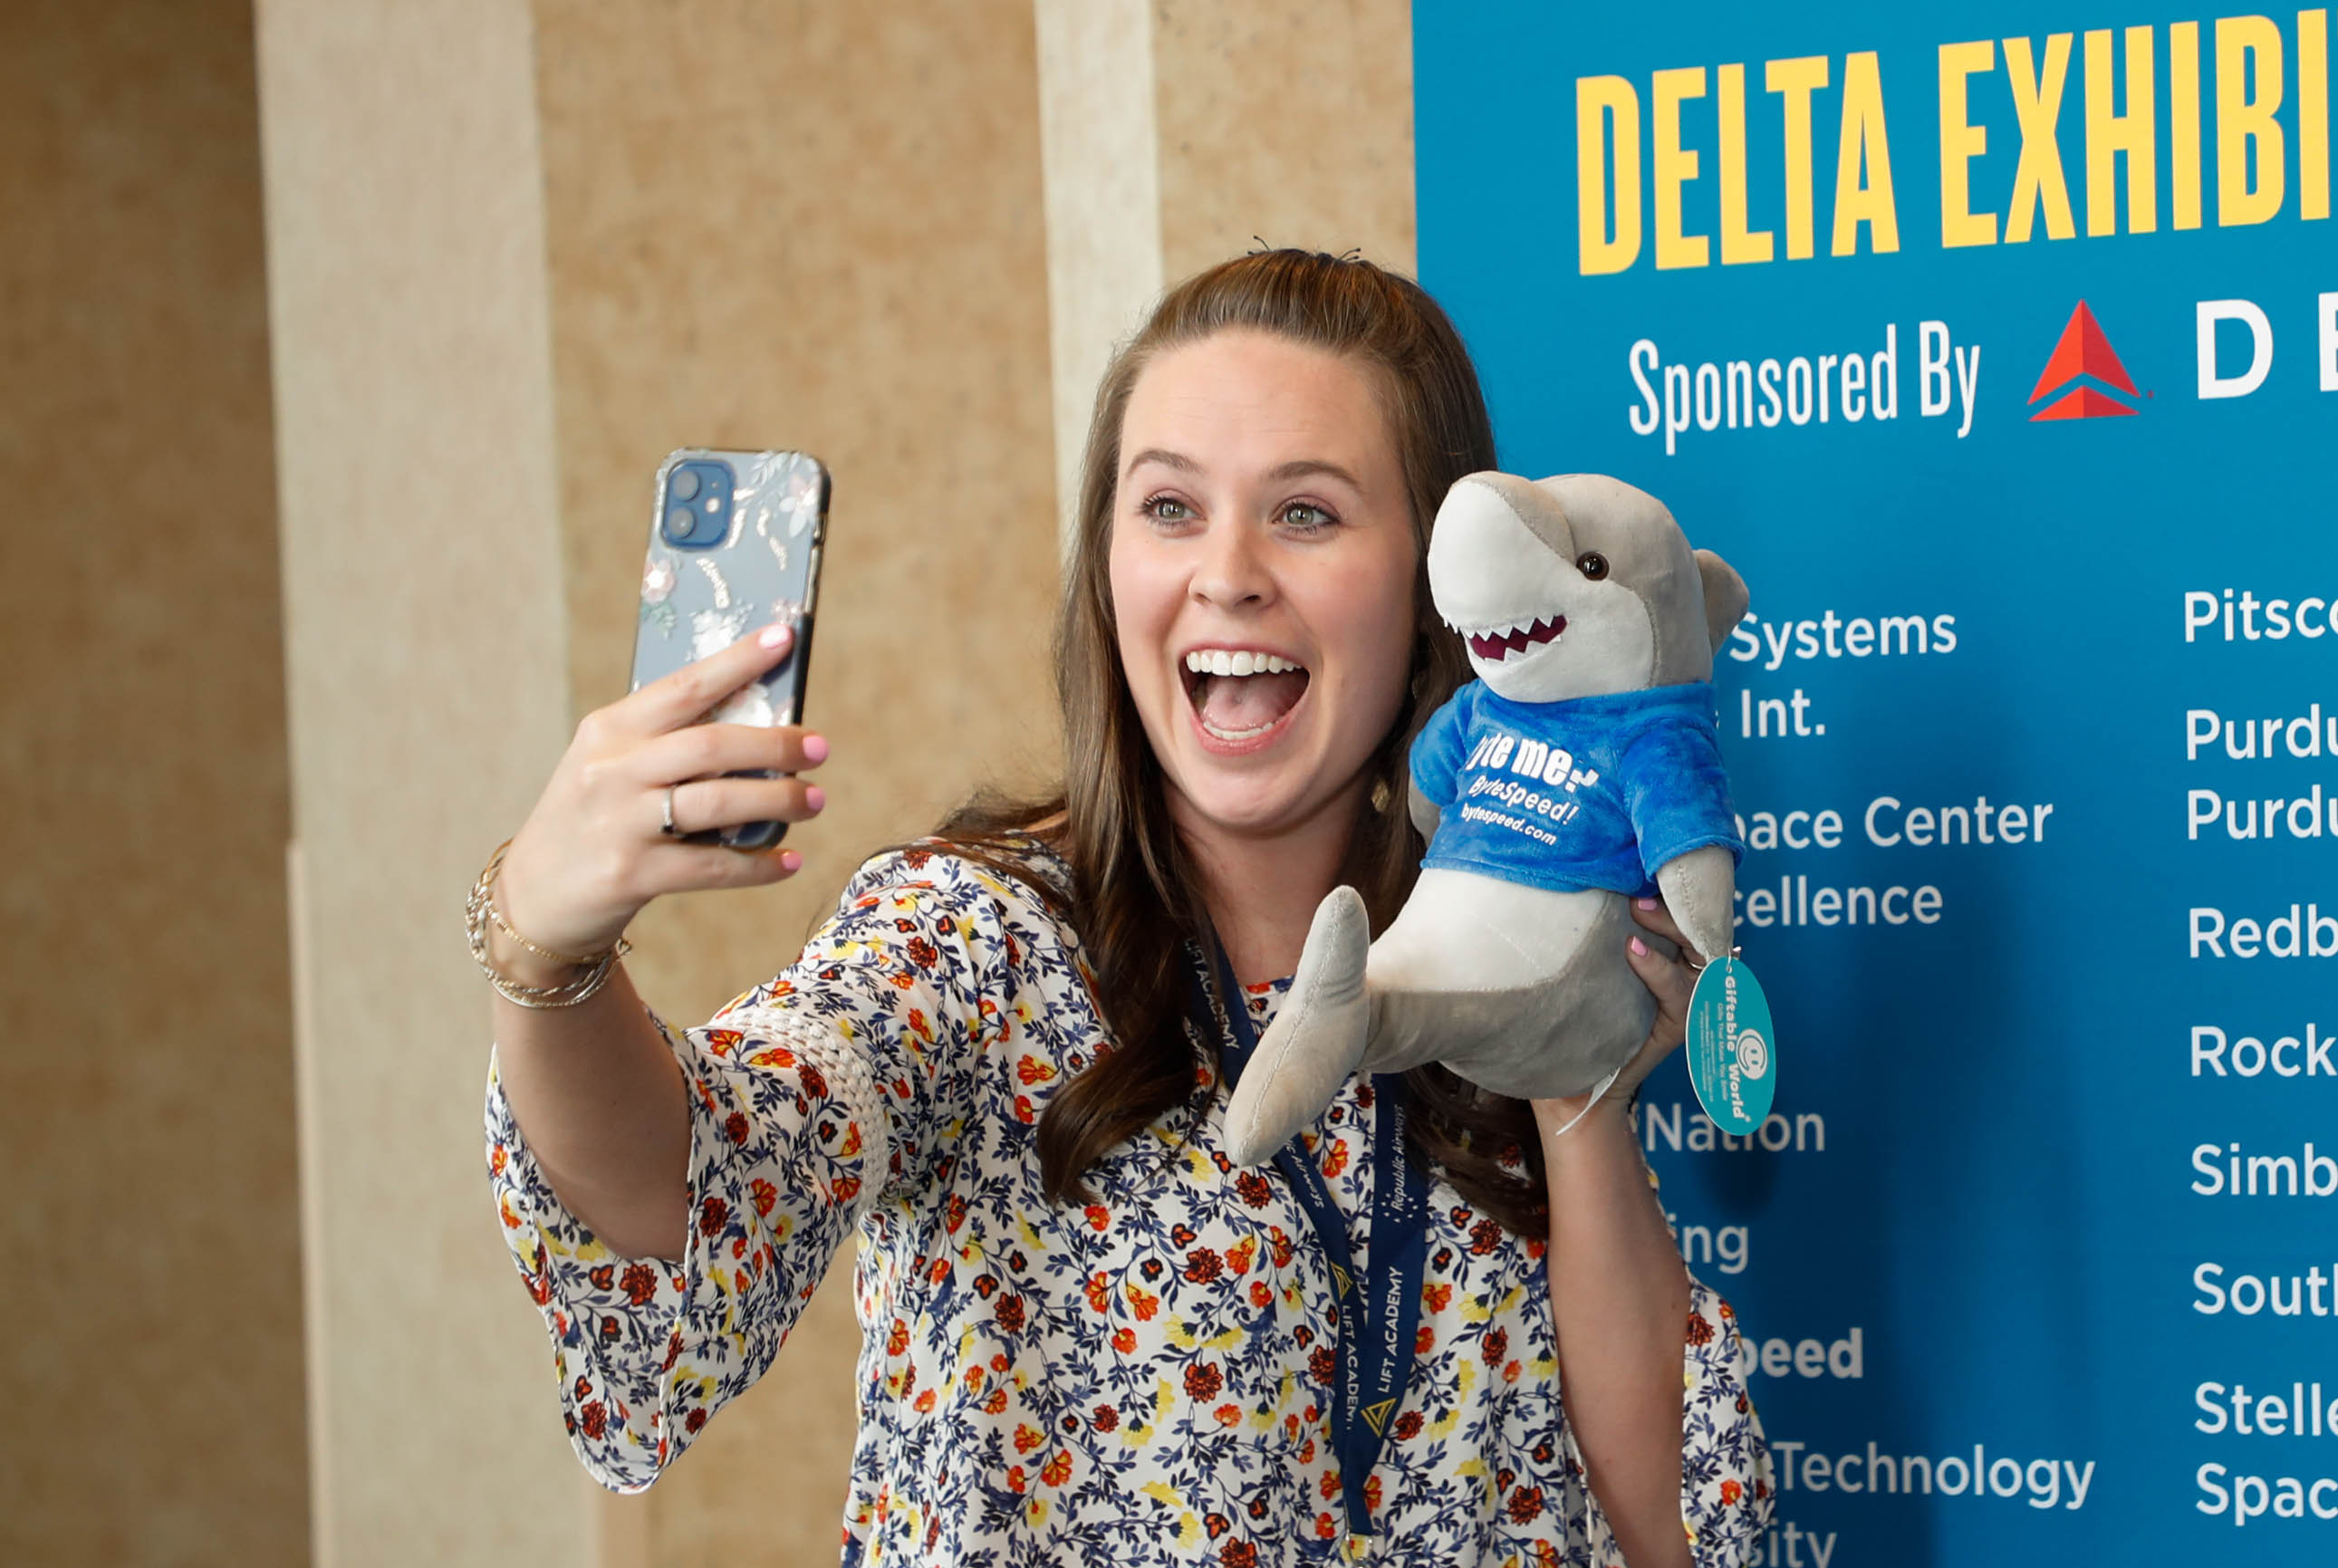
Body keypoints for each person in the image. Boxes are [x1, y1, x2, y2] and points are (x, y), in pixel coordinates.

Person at [475, 251, 1771, 1564]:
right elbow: (686, 1201)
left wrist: (1571, 1087)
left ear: (1437, 579)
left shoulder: (1490, 949)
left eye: (1307, 513)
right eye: (1167, 508)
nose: (1228, 573)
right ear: (1106, 565)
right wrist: (549, 947)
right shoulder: (971, 938)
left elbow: (1667, 1532)